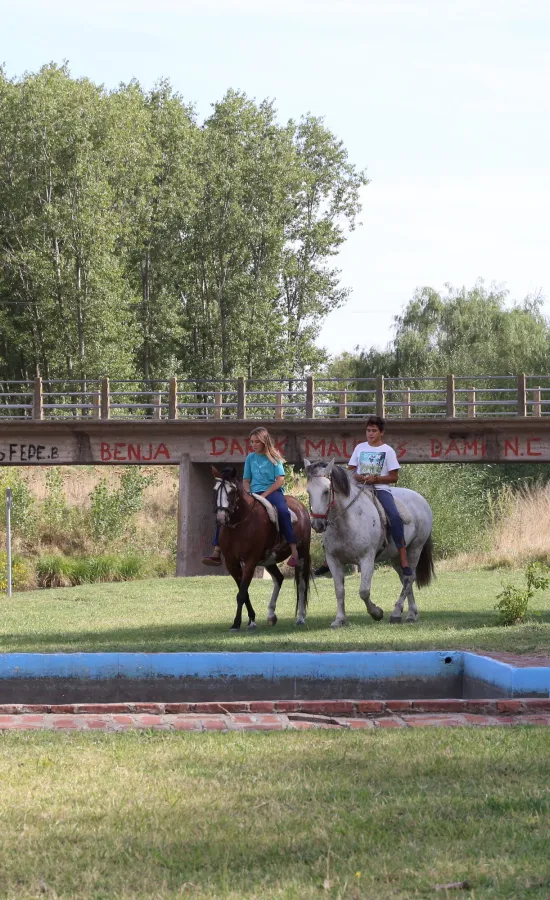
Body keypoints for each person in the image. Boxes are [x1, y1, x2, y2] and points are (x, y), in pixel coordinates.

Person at [314, 416, 412, 578]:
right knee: (332, 511)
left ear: (381, 432)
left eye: (374, 431)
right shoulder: (360, 448)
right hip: (358, 488)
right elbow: (350, 471)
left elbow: (394, 477)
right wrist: (359, 477)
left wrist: (377, 479)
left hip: (380, 489)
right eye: (368, 430)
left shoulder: (388, 451)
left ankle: (402, 557)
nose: (370, 434)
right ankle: (328, 557)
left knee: (394, 516)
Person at [202, 427, 299, 568]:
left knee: (283, 512)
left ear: (264, 442)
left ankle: (294, 551)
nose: (253, 445)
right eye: (252, 442)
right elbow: (246, 480)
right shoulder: (250, 458)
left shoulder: (274, 457)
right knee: (224, 511)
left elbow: (280, 481)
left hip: (272, 493)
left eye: (256, 442)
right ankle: (217, 551)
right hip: (253, 493)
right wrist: (248, 493)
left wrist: (265, 495)